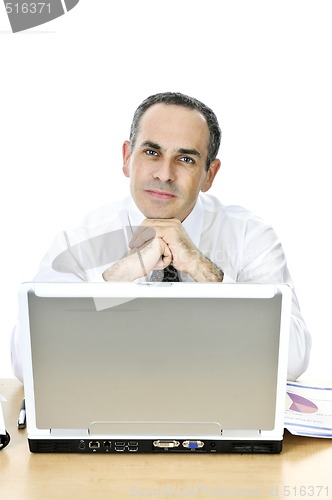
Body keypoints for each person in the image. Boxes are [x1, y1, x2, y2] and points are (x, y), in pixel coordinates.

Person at [11, 91, 311, 382]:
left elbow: (294, 361)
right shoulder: (80, 239)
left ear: (210, 174)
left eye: (186, 159)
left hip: (214, 407)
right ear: (127, 157)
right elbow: (25, 362)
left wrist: (204, 272)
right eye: (152, 153)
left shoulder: (250, 237)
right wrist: (115, 279)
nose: (164, 174)